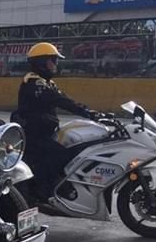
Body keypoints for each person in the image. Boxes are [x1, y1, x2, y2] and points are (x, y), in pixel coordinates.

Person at [12, 42, 100, 201]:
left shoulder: (46, 83)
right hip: (33, 135)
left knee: (73, 146)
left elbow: (64, 98)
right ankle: (43, 189)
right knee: (60, 155)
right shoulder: (34, 83)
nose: (55, 64)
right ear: (40, 63)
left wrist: (89, 112)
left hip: (44, 132)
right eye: (51, 60)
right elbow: (60, 101)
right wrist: (86, 112)